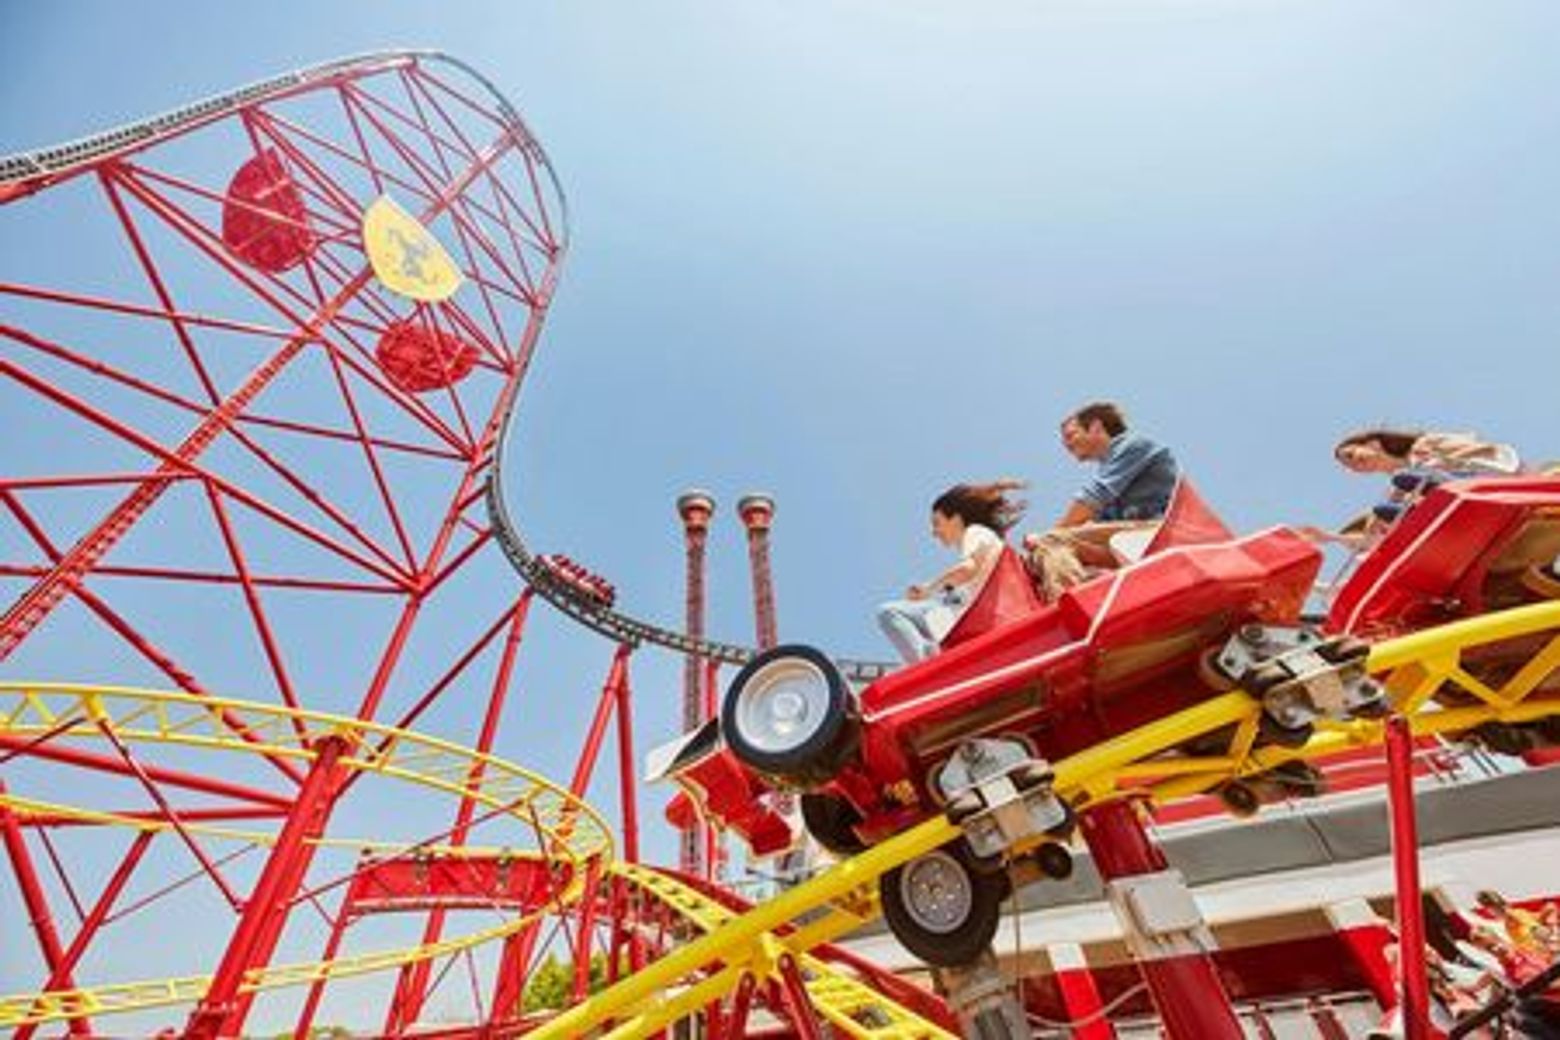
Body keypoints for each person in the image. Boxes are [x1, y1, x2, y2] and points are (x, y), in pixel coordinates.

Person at [1022, 402, 1179, 599]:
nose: (1067, 445)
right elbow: (1092, 524)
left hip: (1156, 533)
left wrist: (1049, 535)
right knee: (1048, 555)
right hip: (1130, 542)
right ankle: (1077, 598)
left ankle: (1070, 606)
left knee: (1051, 542)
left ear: (1096, 427)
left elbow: (1094, 497)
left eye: (1071, 435)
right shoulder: (1114, 469)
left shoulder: (1134, 445)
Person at [877, 480, 1025, 664]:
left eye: (937, 523)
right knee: (940, 610)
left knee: (890, 612)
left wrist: (929, 588)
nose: (934, 532)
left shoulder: (975, 532)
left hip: (976, 618)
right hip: (980, 618)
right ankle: (932, 651)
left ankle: (925, 663)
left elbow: (968, 568)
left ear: (955, 519)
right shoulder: (989, 544)